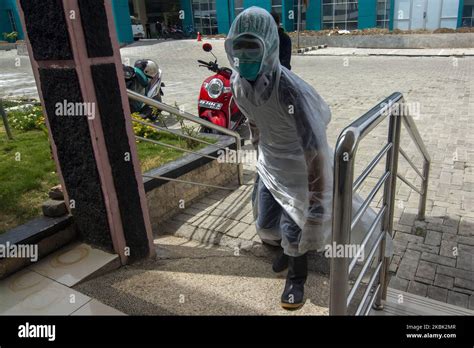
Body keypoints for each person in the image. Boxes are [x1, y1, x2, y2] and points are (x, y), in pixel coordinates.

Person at [225, 7, 391, 310]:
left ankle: (296, 278)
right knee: (266, 222)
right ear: (230, 46)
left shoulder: (289, 92)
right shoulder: (237, 84)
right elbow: (253, 118)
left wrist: (315, 207)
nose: (245, 55)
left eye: (253, 46)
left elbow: (315, 148)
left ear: (269, 46)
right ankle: (289, 253)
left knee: (294, 226)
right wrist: (257, 146)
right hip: (270, 163)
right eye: (240, 46)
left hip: (301, 168)